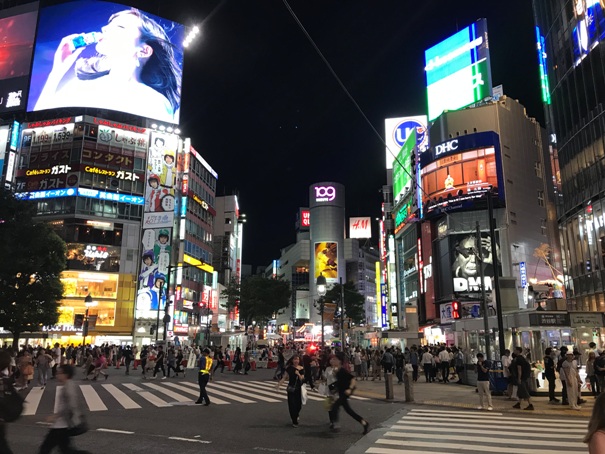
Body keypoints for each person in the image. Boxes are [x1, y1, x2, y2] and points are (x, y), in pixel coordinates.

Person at [34, 8, 182, 123]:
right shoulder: (78, 86)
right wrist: (57, 71)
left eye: (120, 27)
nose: (104, 29)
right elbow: (37, 124)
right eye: (108, 25)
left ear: (144, 50)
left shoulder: (153, 101)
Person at [38, 365, 90, 454]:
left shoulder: (68, 387)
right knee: (66, 450)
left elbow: (70, 405)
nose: (57, 375)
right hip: (63, 425)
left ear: (66, 374)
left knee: (45, 448)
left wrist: (55, 416)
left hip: (61, 425)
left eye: (59, 373)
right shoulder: (68, 384)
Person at [326, 353, 369, 434]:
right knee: (349, 411)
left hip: (345, 392)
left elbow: (352, 378)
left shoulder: (342, 370)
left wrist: (350, 389)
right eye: (332, 359)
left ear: (339, 361)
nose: (332, 360)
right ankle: (364, 423)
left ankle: (335, 424)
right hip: (342, 392)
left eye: (335, 359)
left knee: (334, 406)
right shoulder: (336, 370)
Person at [277, 354, 305, 428]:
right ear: (292, 360)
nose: (296, 361)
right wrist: (279, 384)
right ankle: (294, 420)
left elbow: (302, 379)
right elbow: (284, 377)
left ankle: (296, 414)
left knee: (299, 405)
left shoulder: (301, 368)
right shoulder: (289, 368)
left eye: (297, 359)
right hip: (291, 388)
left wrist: (298, 374)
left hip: (299, 388)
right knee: (292, 404)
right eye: (295, 359)